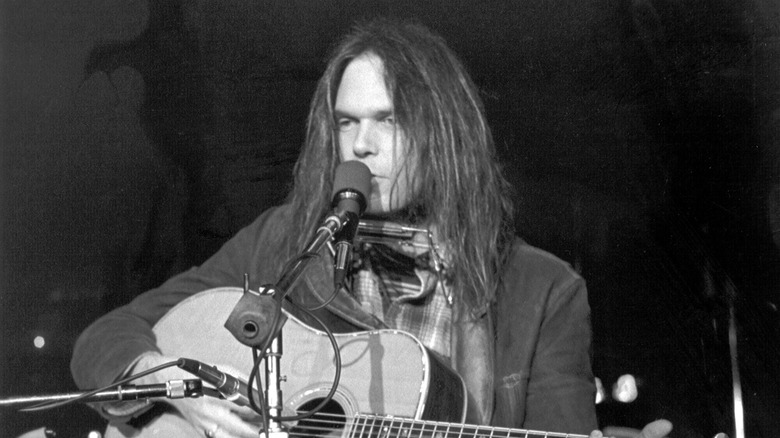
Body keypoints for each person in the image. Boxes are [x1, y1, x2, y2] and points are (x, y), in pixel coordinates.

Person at [71, 18, 672, 438]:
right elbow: (108, 336)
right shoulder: (287, 243)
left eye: (389, 120)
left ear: (445, 132)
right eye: (346, 122)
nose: (362, 143)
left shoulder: (542, 290)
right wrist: (180, 398)